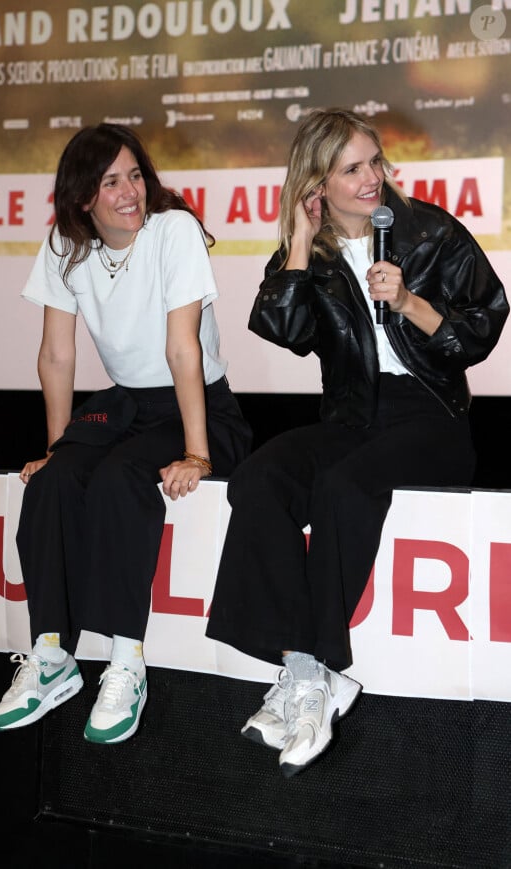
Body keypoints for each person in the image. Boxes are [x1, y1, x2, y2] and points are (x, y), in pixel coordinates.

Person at [205, 107, 508, 777]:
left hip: (430, 417)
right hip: (351, 417)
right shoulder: (310, 252)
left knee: (342, 487)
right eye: (353, 168)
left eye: (376, 161)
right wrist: (295, 236)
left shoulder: (428, 233)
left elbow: (485, 323)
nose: (373, 177)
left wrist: (409, 304)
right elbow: (282, 329)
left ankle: (312, 671)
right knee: (259, 478)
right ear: (318, 183)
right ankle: (304, 670)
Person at [0, 123, 252, 744]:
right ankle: (51, 655)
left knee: (117, 479)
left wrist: (196, 452)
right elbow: (56, 355)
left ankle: (126, 662)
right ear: (83, 197)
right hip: (126, 406)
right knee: (53, 482)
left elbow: (182, 349)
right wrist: (58, 449)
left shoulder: (174, 229)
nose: (130, 191)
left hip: (198, 408)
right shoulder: (64, 244)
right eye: (111, 182)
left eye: (135, 175)